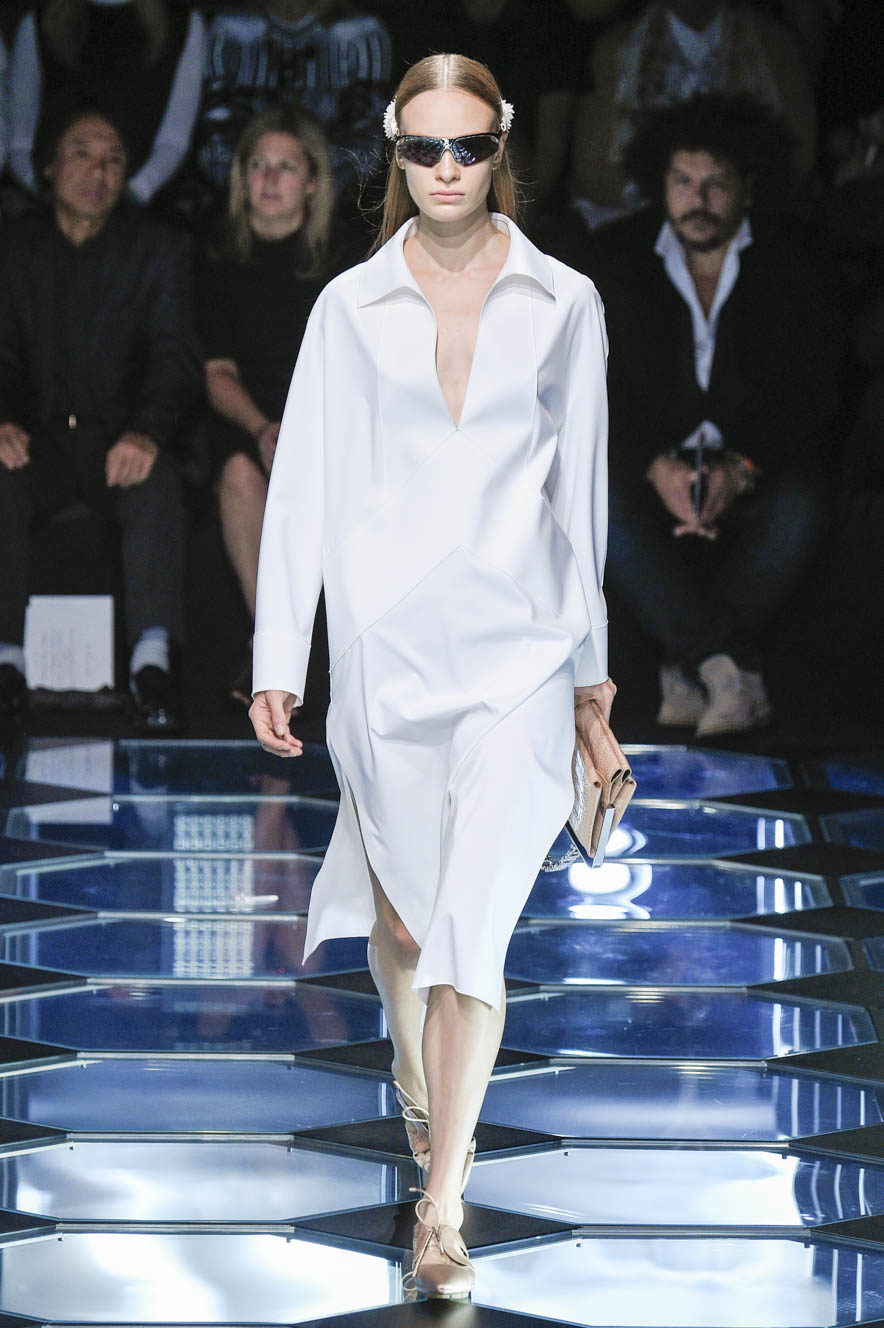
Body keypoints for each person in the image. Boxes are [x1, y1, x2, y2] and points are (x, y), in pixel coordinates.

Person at [249, 53, 613, 1298]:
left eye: (467, 147)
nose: (446, 170)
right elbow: (303, 486)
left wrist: (590, 682)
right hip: (387, 650)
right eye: (423, 150)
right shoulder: (347, 308)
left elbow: (582, 495)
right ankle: (416, 1081)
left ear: (499, 147)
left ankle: (441, 1206)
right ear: (394, 155)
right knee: (405, 922)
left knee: (468, 937)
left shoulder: (564, 300)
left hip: (521, 646)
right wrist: (278, 655)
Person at [584, 94, 842, 735]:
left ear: (748, 187)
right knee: (594, 502)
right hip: (651, 473)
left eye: (715, 183)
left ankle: (688, 663)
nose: (697, 199)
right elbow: (592, 388)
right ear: (661, 184)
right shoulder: (615, 259)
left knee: (803, 503)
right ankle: (725, 669)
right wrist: (654, 468)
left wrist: (742, 468)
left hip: (753, 470)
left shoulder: (796, 260)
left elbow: (817, 394)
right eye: (682, 181)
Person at [0, 109, 201, 731]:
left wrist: (147, 431)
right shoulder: (13, 246)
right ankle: (6, 662)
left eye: (114, 159)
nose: (99, 171)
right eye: (82, 153)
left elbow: (175, 357)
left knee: (156, 484)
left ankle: (151, 665)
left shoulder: (158, 249)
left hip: (118, 437)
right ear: (47, 167)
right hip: (36, 438)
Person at [196, 107, 337, 706]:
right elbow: (216, 374)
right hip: (247, 417)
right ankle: (278, 649)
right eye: (258, 165)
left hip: (327, 418)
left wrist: (304, 432)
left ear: (312, 182)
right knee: (236, 470)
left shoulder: (343, 258)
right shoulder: (216, 257)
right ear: (241, 178)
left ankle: (298, 656)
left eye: (287, 167)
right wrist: (261, 428)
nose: (271, 179)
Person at [570, 0, 817, 226]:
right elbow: (594, 174)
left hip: (746, 219)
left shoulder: (772, 42)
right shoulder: (615, 47)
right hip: (636, 220)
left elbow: (798, 157)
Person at [9, 0, 206, 205]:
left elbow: (174, 141)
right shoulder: (39, 22)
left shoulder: (182, 23)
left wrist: (133, 194)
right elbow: (21, 144)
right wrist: (51, 196)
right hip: (50, 201)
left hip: (144, 204)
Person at [194, 0, 392, 204]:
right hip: (243, 194)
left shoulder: (359, 35)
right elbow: (216, 136)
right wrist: (251, 190)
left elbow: (365, 141)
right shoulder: (232, 33)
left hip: (332, 196)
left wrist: (315, 191)